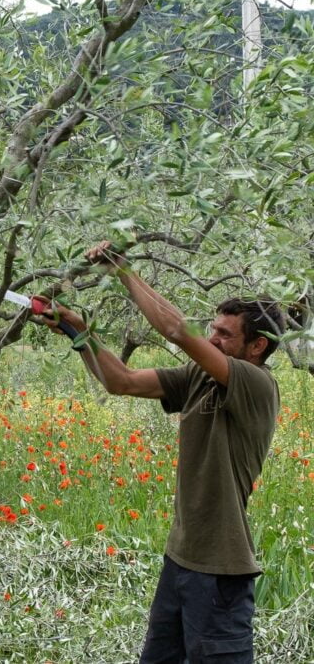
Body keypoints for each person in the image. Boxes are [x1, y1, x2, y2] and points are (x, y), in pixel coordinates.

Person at [42, 241, 283, 663]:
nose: (212, 338)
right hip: (181, 560)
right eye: (213, 328)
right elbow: (123, 382)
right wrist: (78, 332)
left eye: (224, 334)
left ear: (257, 346)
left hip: (221, 570)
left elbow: (176, 331)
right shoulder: (200, 377)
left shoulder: (256, 385)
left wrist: (122, 270)